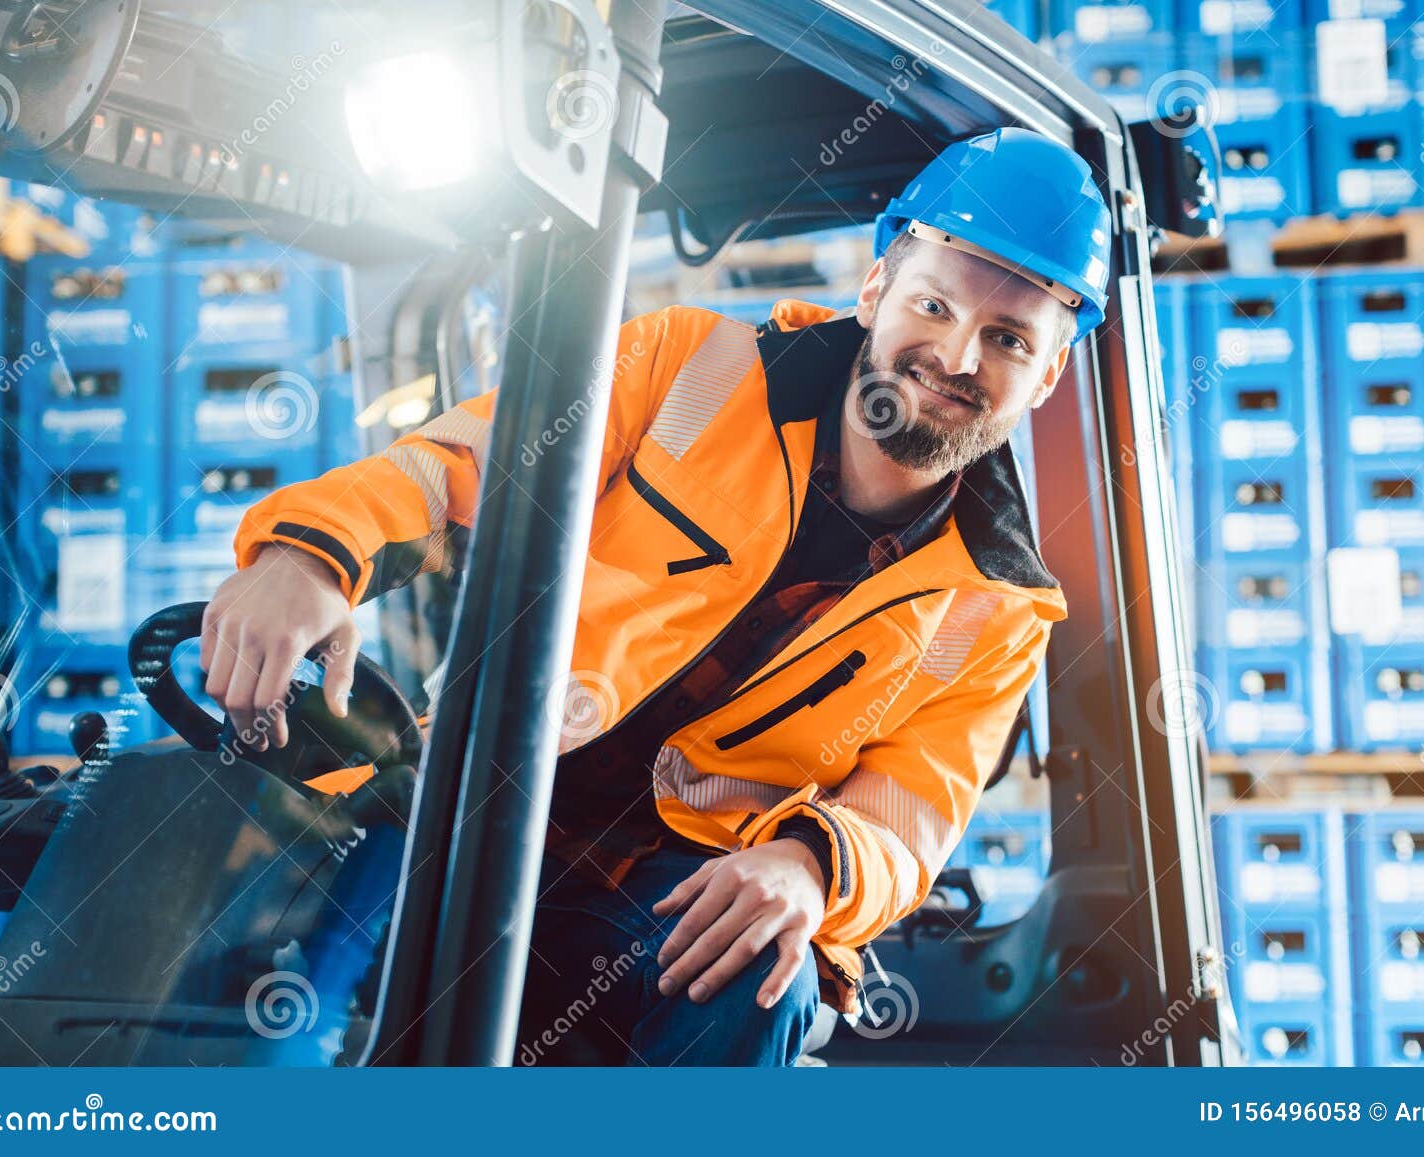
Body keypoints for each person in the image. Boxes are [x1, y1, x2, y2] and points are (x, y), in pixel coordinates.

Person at [200, 127, 1112, 1066]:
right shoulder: (690, 367)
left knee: (761, 972)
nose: (957, 356)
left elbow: (909, 815)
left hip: (670, 895)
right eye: (934, 302)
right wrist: (311, 557)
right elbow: (458, 467)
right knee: (257, 981)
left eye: (1007, 338)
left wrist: (809, 863)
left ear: (1044, 375)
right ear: (876, 288)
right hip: (480, 805)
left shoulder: (1000, 610)